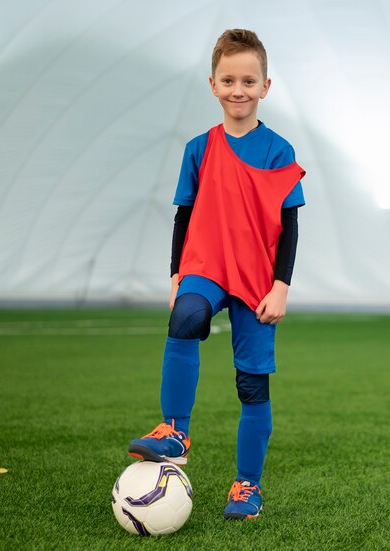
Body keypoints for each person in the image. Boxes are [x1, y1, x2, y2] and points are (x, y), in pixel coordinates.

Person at [127, 29, 305, 520]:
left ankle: (247, 486)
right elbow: (183, 216)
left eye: (249, 80)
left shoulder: (277, 151)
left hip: (255, 281)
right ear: (213, 84)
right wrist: (176, 275)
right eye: (228, 79)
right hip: (205, 268)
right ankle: (175, 431)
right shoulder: (198, 149)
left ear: (265, 86)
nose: (238, 89)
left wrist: (281, 286)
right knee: (185, 317)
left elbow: (290, 226)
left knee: (252, 385)